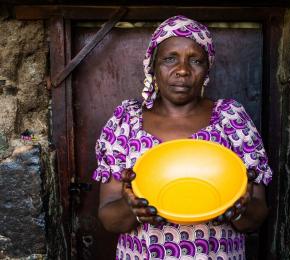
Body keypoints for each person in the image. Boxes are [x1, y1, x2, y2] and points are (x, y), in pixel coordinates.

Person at [93, 15, 272, 259]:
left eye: (195, 60)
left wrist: (240, 209)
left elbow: (256, 216)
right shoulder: (126, 121)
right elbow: (108, 217)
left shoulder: (231, 119)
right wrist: (131, 209)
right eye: (169, 59)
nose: (182, 70)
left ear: (207, 68)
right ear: (152, 65)